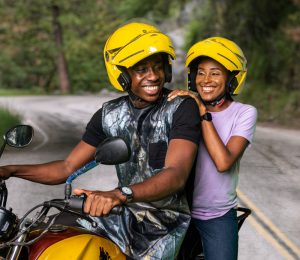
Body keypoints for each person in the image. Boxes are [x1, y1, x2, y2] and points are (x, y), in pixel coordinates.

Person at [0, 22, 201, 259]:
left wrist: (118, 194)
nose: (154, 76)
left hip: (164, 223)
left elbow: (176, 174)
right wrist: (9, 170)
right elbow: (66, 168)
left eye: (158, 67)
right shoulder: (109, 114)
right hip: (122, 214)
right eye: (142, 69)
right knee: (51, 237)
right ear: (122, 74)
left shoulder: (180, 107)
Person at [168, 37, 257, 260]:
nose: (206, 79)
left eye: (215, 73)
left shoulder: (244, 113)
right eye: (200, 72)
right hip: (176, 212)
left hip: (216, 215)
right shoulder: (182, 108)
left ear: (231, 79)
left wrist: (201, 111)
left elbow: (223, 162)